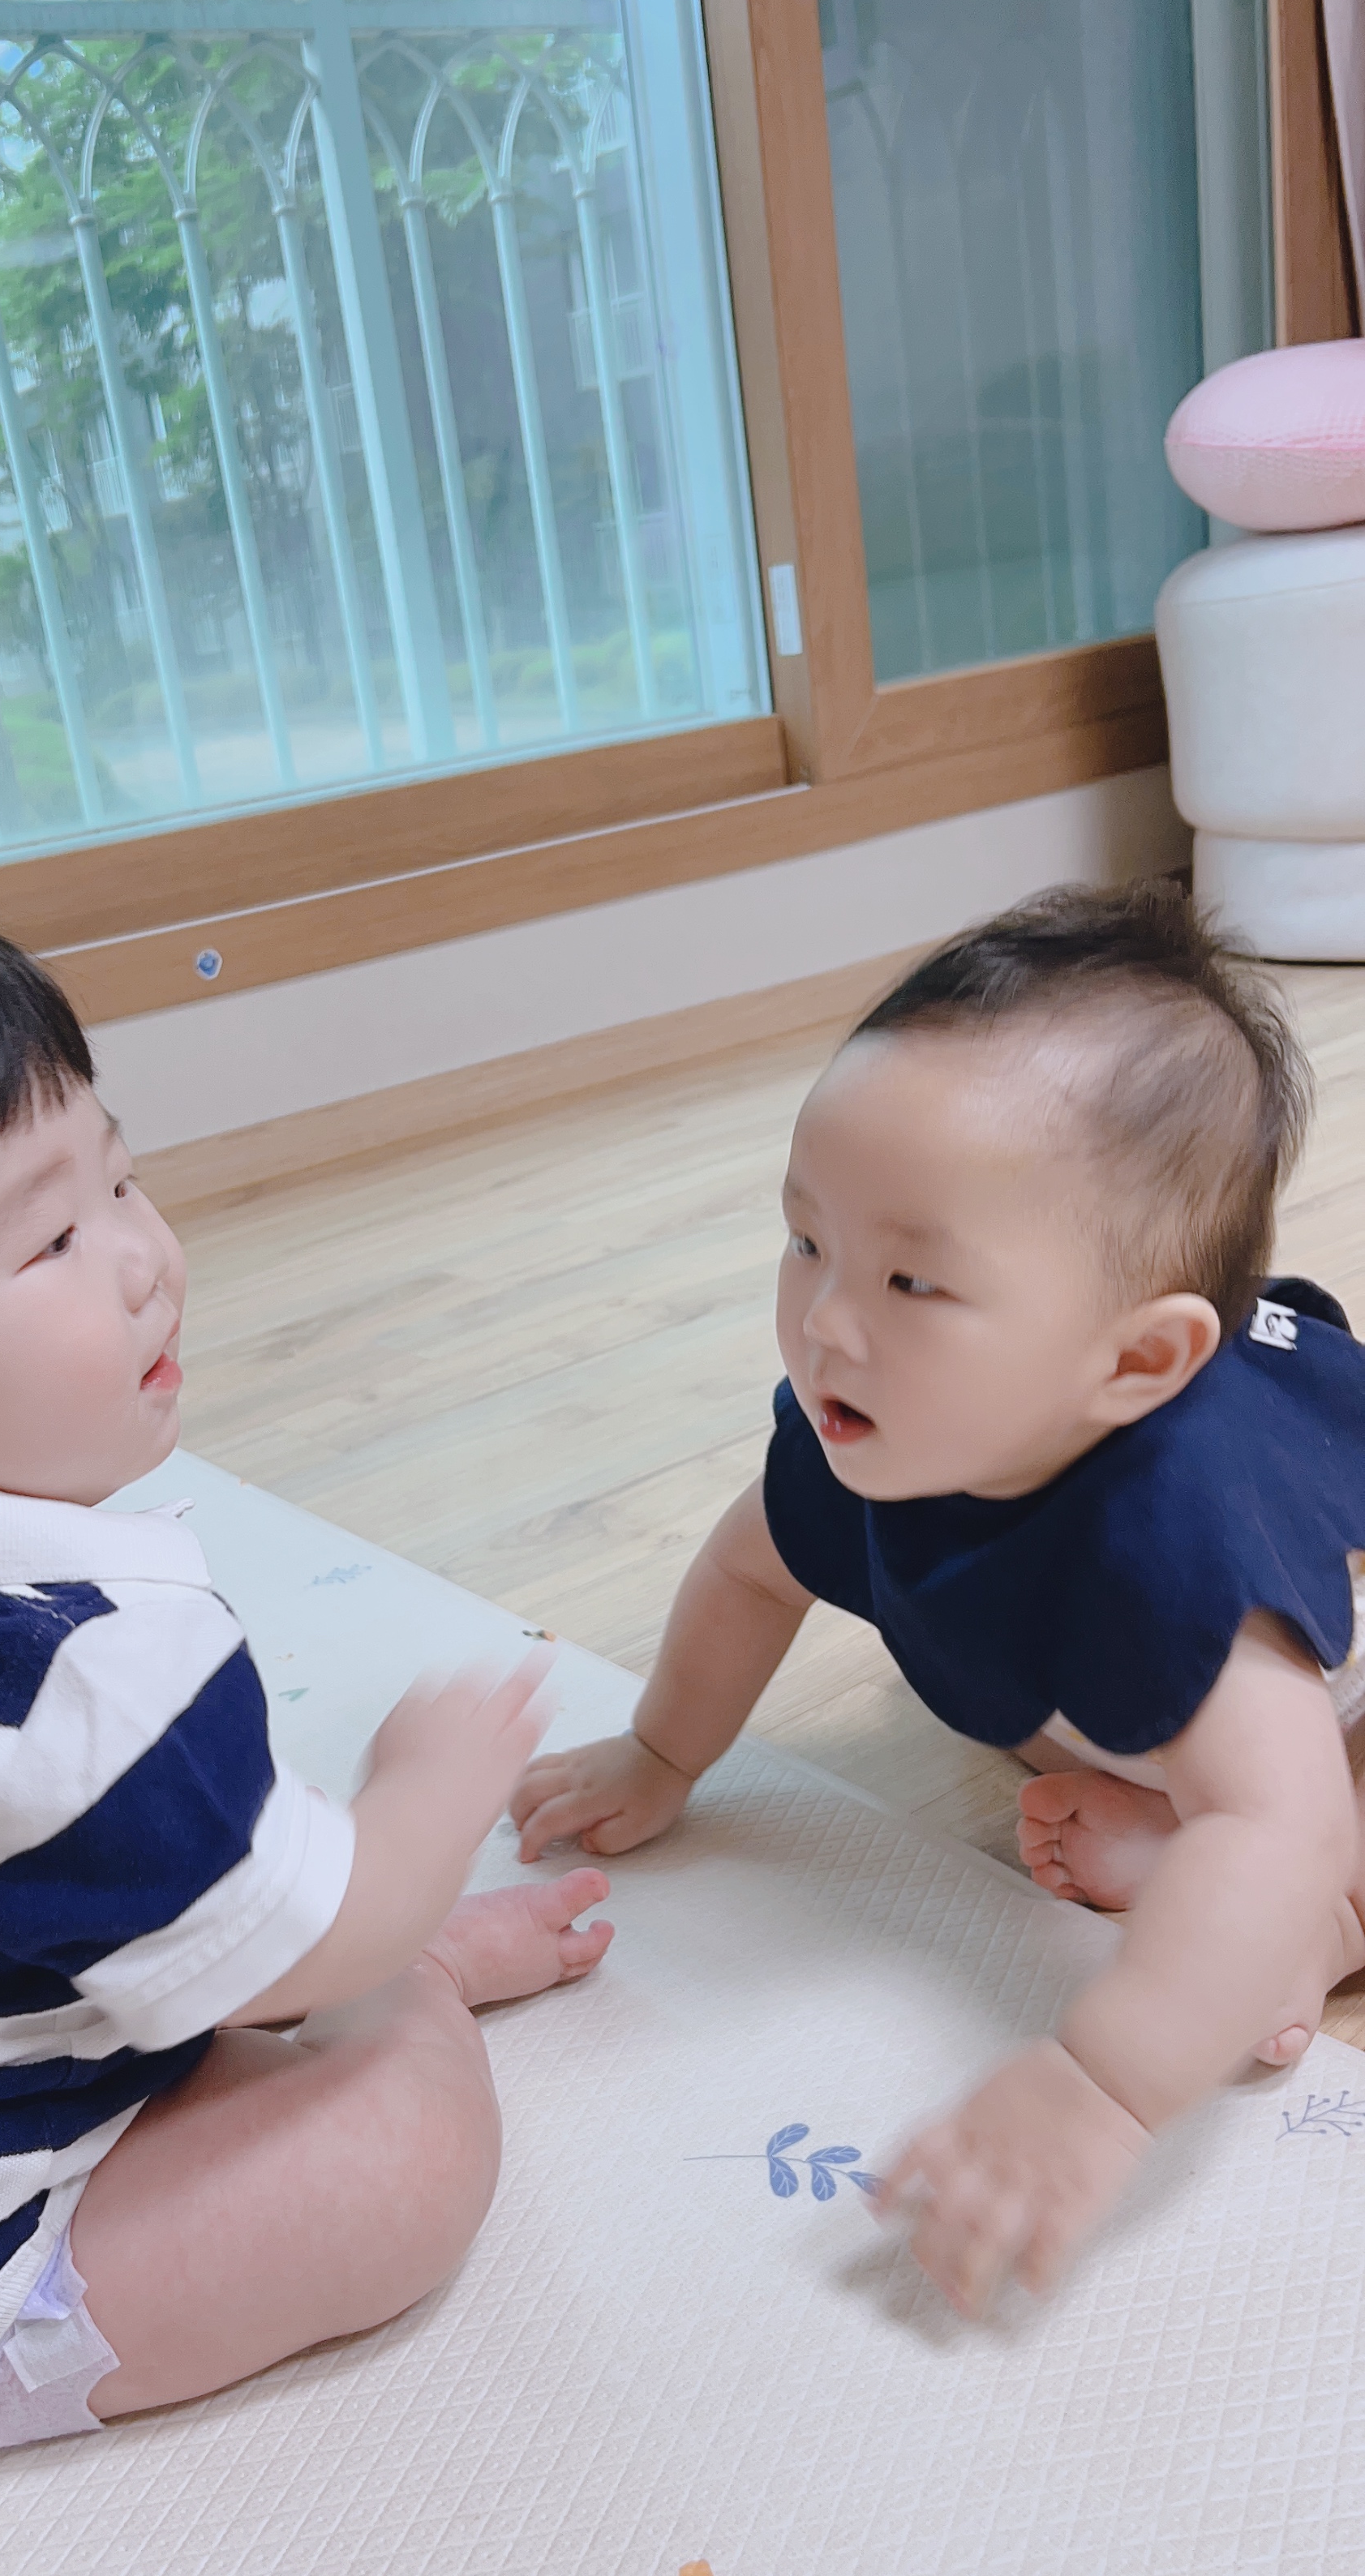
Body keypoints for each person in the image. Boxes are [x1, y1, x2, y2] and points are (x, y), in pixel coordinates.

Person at [0, 825, 611, 2490]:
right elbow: (293, 1963)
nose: (146, 1257)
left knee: (221, 1890)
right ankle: (412, 1982)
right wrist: (424, 1805)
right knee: (404, 2156)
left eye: (121, 1181)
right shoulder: (67, 1682)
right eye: (50, 1242)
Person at [513, 882, 1365, 2320]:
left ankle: (1322, 1929)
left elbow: (1289, 1815)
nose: (827, 1322)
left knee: (1296, 1825)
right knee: (1012, 1686)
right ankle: (1181, 1832)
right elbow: (749, 1567)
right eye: (807, 1241)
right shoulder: (878, 1421)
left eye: (911, 1279)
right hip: (1168, 1694)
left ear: (1136, 1364)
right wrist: (663, 1751)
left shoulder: (1179, 1533)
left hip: (1327, 1705)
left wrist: (1099, 2085)